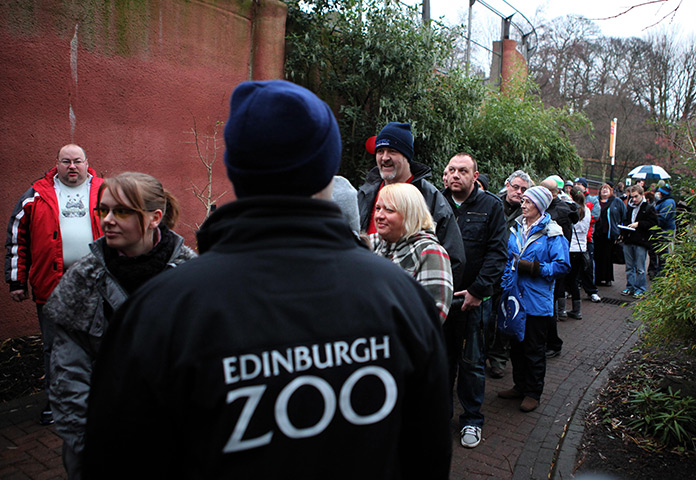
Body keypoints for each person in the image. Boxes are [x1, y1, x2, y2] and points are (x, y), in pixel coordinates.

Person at [83, 80, 452, 479]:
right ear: (329, 166)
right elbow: (428, 457)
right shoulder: (402, 299)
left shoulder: (158, 313)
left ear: (236, 166)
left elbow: (114, 459)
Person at [44, 172, 196, 480]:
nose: (108, 220)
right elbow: (69, 374)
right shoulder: (82, 280)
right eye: (103, 210)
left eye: (122, 211)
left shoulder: (191, 276)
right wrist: (93, 445)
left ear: (155, 217)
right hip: (104, 445)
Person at [5, 144, 104, 425]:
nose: (72, 167)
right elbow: (17, 239)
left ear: (87, 163)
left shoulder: (106, 191)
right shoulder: (36, 195)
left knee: (99, 342)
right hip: (53, 284)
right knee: (56, 347)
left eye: (77, 161)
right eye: (66, 161)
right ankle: (57, 402)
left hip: (96, 283)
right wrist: (16, 281)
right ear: (56, 164)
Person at [442, 153, 506, 448]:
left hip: (474, 301)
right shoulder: (435, 202)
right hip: (440, 300)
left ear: (475, 175)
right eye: (451, 170)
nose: (456, 175)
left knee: (472, 363)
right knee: (442, 362)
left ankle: (471, 420)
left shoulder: (491, 206)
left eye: (463, 171)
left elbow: (497, 254)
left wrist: (478, 291)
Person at [357, 121, 465, 287]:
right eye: (380, 151)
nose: (384, 158)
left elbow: (454, 260)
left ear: (406, 156)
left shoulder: (432, 200)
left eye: (392, 151)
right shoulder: (365, 193)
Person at [497, 186, 570, 412]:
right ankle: (519, 386)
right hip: (514, 297)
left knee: (534, 348)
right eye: (524, 200)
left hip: (537, 301)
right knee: (516, 345)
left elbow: (562, 265)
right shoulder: (518, 226)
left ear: (539, 206)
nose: (523, 204)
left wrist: (535, 268)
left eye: (528, 201)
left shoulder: (552, 232)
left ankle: (533, 392)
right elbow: (509, 257)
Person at [370, 183, 453, 323]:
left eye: (389, 210)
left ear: (410, 214)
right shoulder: (372, 244)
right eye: (378, 208)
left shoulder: (430, 252)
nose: (379, 215)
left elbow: (433, 315)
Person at [487, 170, 533, 379]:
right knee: (485, 317)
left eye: (524, 189)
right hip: (488, 270)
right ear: (507, 185)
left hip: (511, 274)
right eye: (516, 187)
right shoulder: (491, 204)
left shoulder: (528, 214)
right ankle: (481, 354)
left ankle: (498, 358)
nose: (519, 192)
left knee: (505, 317)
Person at [539, 177, 578, 358]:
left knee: (549, 304)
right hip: (553, 262)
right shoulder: (562, 209)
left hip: (553, 264)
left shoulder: (556, 213)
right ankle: (549, 341)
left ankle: (553, 343)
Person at [620, 185, 658, 298]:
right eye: (632, 197)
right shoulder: (630, 206)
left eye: (636, 196)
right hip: (629, 239)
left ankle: (640, 288)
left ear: (642, 195)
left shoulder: (648, 208)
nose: (634, 199)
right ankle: (630, 286)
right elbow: (626, 219)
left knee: (640, 267)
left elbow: (653, 223)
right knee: (629, 266)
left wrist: (639, 224)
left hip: (641, 241)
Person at [564, 188, 592, 320]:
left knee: (563, 280)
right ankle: (577, 310)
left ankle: (561, 310)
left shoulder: (572, 210)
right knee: (574, 281)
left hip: (570, 248)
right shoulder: (587, 211)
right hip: (582, 249)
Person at [573, 177, 601, 303]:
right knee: (577, 270)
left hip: (586, 239)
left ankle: (591, 291)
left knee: (587, 266)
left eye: (580, 184)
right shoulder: (572, 206)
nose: (578, 185)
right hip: (579, 241)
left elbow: (595, 217)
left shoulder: (592, 202)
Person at [593, 183, 626, 286]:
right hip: (596, 233)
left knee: (608, 256)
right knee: (596, 256)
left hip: (609, 233)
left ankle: (607, 278)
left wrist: (620, 230)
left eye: (607, 189)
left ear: (611, 191)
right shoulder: (595, 201)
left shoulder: (617, 202)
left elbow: (623, 215)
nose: (604, 190)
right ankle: (597, 278)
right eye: (603, 188)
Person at [653, 183, 676, 276]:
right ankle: (660, 270)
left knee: (662, 251)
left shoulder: (668, 202)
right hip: (663, 230)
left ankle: (662, 272)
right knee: (660, 251)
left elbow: (663, 217)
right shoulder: (665, 201)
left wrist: (655, 223)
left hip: (664, 231)